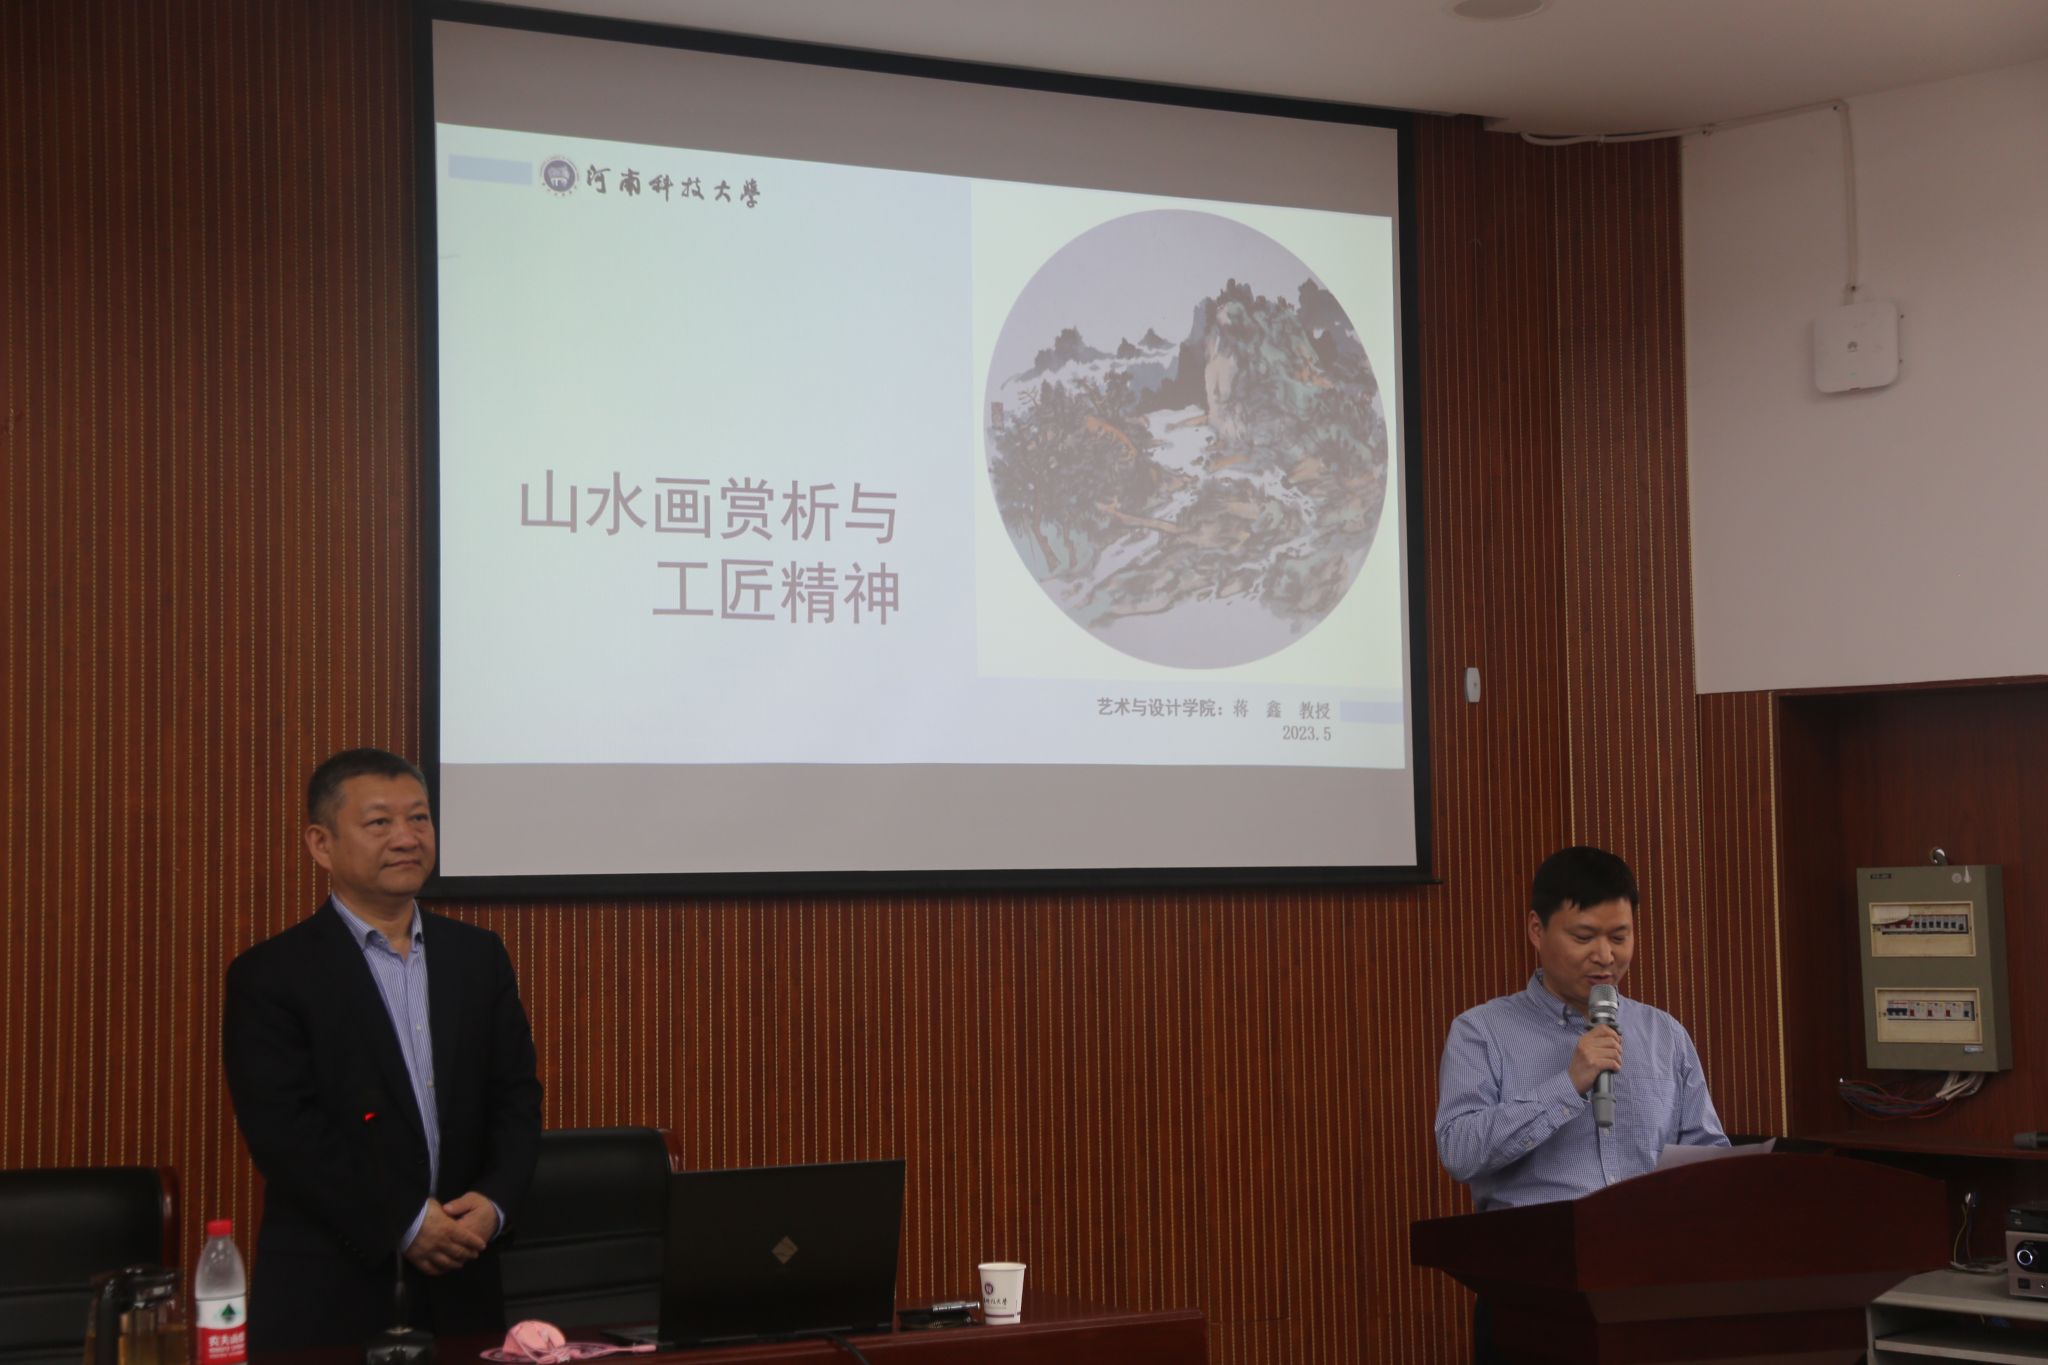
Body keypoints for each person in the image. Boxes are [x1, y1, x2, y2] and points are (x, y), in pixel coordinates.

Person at [223, 749, 542, 1348]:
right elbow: (286, 1134)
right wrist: (406, 1222)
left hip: (464, 1277)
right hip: (331, 1290)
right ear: (321, 844)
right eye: (379, 822)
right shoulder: (271, 975)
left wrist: (495, 1204)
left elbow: (517, 1099)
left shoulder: (477, 957)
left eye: (419, 818)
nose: (406, 838)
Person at [1434, 846, 1728, 1363]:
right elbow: (1460, 1150)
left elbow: (1708, 1156)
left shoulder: (1664, 1034)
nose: (1605, 956)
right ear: (1536, 930)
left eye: (1620, 936)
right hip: (1532, 1297)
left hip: (1651, 1290)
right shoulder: (1482, 1032)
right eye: (1584, 937)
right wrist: (1567, 1085)